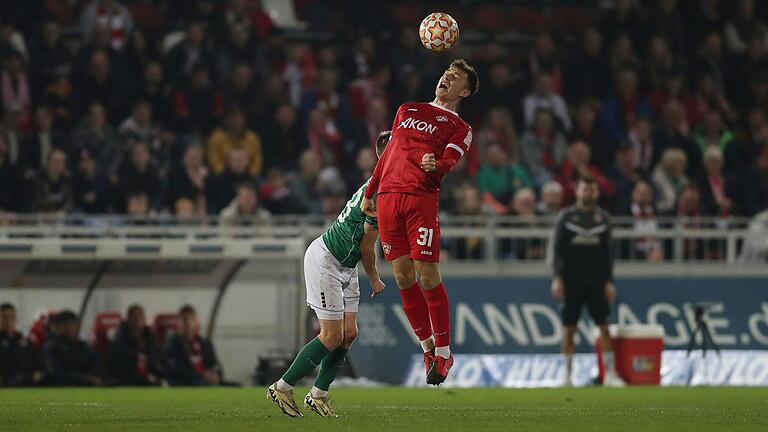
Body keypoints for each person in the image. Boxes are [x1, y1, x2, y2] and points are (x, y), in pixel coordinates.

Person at [361, 59, 479, 385]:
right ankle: (427, 347)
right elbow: (388, 154)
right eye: (446, 73)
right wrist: (370, 190)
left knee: (427, 275)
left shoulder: (460, 127)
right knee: (401, 276)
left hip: (419, 198)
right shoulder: (407, 109)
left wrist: (435, 164)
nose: (447, 78)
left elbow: (451, 161)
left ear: (464, 91)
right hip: (387, 196)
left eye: (455, 78)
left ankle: (443, 353)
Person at [267, 131, 390, 418]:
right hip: (326, 259)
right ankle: (282, 386)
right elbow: (367, 247)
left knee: (348, 334)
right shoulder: (379, 191)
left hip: (345, 265)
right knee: (332, 335)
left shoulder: (384, 186)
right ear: (388, 156)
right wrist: (374, 278)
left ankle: (319, 394)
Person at [551, 177, 625, 387]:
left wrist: (609, 281)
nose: (588, 194)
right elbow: (557, 250)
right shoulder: (566, 217)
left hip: (597, 282)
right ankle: (566, 376)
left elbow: (609, 253)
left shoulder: (603, 219)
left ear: (596, 193)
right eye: (585, 189)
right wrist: (557, 277)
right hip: (571, 281)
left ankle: (610, 374)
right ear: (577, 192)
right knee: (569, 328)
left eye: (592, 190)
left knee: (604, 327)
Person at [107, 305, 166, 386]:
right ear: (128, 320)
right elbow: (119, 369)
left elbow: (158, 361)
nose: (137, 320)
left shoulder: (150, 339)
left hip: (150, 381)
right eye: (134, 317)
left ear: (144, 320)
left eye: (140, 317)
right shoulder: (118, 342)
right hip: (126, 382)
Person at [164, 305, 221, 386]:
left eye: (190, 319)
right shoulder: (172, 344)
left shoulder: (205, 343)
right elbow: (176, 369)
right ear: (178, 323)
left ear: (196, 321)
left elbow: (216, 364)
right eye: (184, 319)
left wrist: (216, 375)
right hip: (186, 383)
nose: (187, 323)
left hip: (206, 381)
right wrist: (202, 375)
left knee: (236, 386)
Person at [43, 310, 103, 386]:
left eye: (74, 324)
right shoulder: (52, 348)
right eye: (69, 325)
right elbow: (57, 374)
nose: (73, 328)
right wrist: (86, 379)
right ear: (59, 327)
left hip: (87, 389)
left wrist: (94, 377)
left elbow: (95, 364)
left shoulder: (82, 346)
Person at [0, 303, 46, 386]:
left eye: (11, 317)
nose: (8, 320)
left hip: (28, 380)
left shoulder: (25, 341)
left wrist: (39, 372)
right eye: (4, 317)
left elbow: (39, 361)